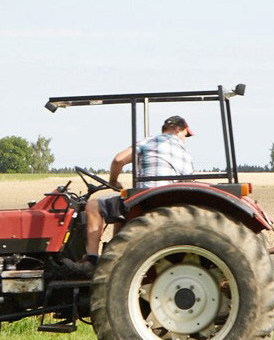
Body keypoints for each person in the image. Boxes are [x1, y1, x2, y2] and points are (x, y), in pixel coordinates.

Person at [74, 115, 195, 271]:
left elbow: (118, 160)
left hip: (145, 199)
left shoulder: (150, 141)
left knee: (92, 206)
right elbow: (188, 183)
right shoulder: (186, 155)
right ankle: (114, 254)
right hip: (167, 201)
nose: (185, 138)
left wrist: (113, 181)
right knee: (121, 210)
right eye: (186, 134)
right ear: (179, 129)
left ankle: (91, 259)